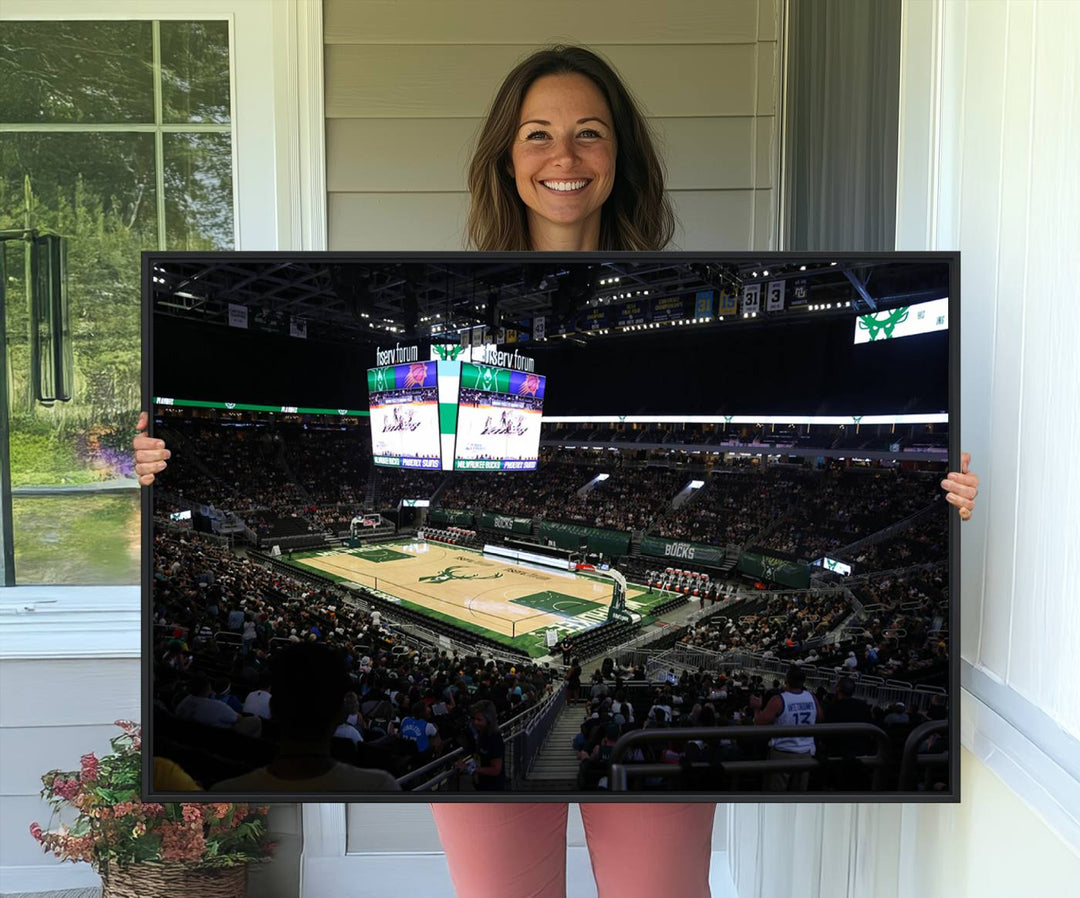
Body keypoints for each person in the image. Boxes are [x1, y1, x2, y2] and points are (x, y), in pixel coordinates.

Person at [134, 42, 980, 898]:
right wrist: (146, 469)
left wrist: (949, 502)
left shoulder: (726, 265)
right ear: (506, 158)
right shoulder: (436, 274)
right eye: (537, 134)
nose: (563, 157)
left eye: (590, 133)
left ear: (623, 157)